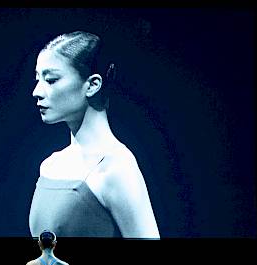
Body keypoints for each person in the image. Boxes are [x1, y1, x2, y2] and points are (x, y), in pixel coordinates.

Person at [29, 30, 160, 239]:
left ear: (92, 85)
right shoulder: (50, 165)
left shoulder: (116, 167)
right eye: (37, 79)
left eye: (51, 80)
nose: (37, 91)